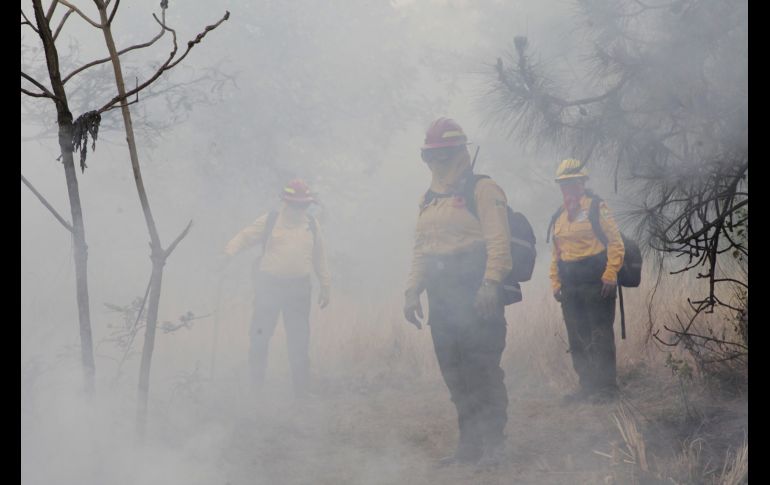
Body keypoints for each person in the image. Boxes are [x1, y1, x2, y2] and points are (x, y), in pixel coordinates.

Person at [403, 118, 512, 467]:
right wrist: (411, 291)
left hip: (476, 292)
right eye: (430, 156)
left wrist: (491, 284)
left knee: (482, 369)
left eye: (443, 155)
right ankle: (469, 446)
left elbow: (499, 244)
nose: (436, 162)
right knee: (455, 372)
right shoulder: (428, 199)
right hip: (441, 297)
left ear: (459, 152)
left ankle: (494, 445)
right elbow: (422, 247)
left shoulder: (483, 189)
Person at [223, 179, 331, 399]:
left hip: (299, 290)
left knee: (299, 342)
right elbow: (245, 237)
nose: (299, 209)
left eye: (303, 205)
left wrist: (325, 286)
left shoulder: (311, 224)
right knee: (259, 337)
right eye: (296, 204)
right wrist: (227, 254)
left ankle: (301, 394)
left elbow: (320, 257)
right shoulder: (270, 221)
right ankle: (256, 390)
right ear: (286, 202)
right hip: (269, 287)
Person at [549, 159, 625, 404]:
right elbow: (556, 253)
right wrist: (556, 283)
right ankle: (587, 386)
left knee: (600, 334)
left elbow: (615, 242)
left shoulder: (596, 207)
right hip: (570, 284)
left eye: (573, 181)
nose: (568, 186)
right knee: (578, 336)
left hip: (596, 282)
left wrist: (611, 274)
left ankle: (607, 389)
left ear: (583, 182)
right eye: (564, 183)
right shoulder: (560, 214)